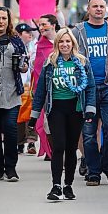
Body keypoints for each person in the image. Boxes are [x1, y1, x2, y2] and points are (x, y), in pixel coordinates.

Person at [29, 28, 96, 200]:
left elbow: (90, 87)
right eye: (61, 42)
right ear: (57, 44)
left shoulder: (82, 62)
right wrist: (34, 115)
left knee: (71, 148)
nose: (65, 44)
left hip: (75, 109)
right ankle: (56, 185)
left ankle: (68, 185)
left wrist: (90, 109)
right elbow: (41, 91)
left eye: (68, 41)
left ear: (73, 43)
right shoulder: (50, 63)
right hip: (55, 109)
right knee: (58, 147)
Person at [72, 0, 108, 186]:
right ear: (88, 9)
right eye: (95, 6)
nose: (99, 9)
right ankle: (93, 171)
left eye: (102, 6)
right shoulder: (78, 31)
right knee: (88, 131)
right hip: (87, 88)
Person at [0, 7, 28, 182]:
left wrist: (23, 66)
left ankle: (11, 168)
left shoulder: (15, 40)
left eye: (4, 18)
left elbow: (24, 63)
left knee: (10, 130)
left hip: (11, 93)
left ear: (9, 21)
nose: (1, 21)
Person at [31, 14, 59, 160]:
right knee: (47, 125)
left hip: (65, 91)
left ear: (53, 25)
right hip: (47, 92)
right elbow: (37, 69)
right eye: (39, 25)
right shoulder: (40, 45)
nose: (41, 28)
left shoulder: (64, 40)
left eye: (44, 24)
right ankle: (55, 152)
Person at [15, 23, 38, 155]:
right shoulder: (14, 46)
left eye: (31, 32)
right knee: (19, 115)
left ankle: (31, 142)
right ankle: (19, 143)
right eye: (26, 32)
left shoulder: (35, 46)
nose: (30, 34)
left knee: (31, 114)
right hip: (19, 86)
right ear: (19, 34)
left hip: (32, 85)